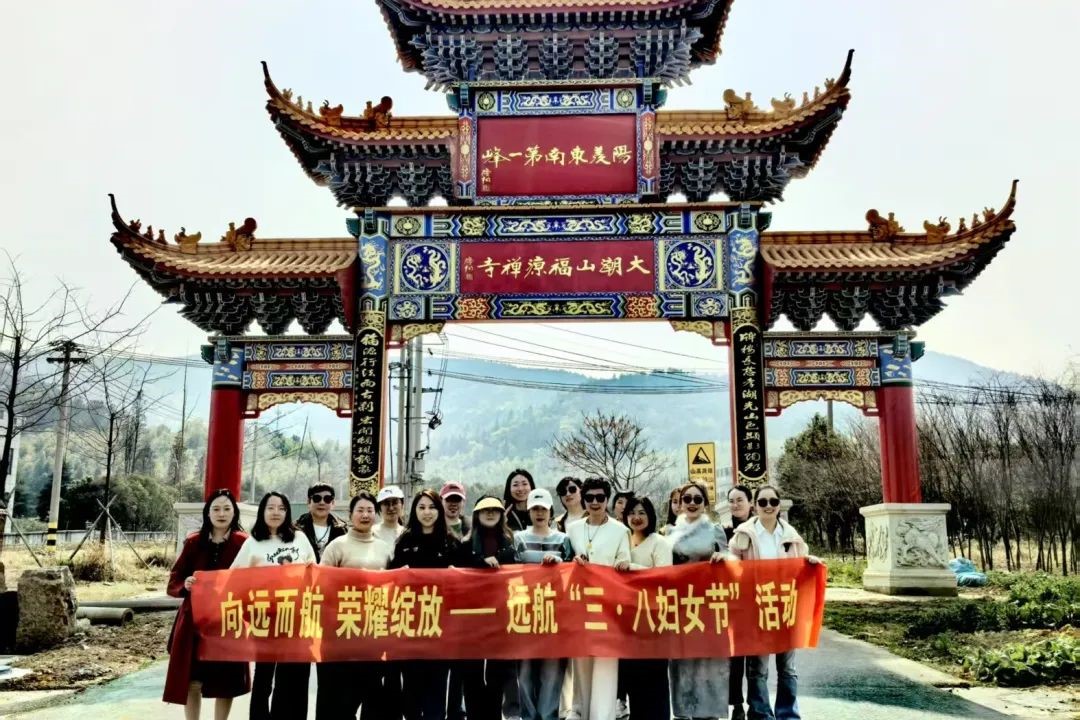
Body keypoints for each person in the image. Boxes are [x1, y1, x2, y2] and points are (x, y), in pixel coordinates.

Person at [729, 486, 819, 720]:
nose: (768, 506)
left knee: (787, 667)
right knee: (758, 667)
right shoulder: (744, 534)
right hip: (757, 608)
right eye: (763, 502)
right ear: (755, 505)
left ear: (779, 505)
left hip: (786, 607)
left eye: (773, 501)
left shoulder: (791, 535)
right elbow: (733, 562)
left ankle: (787, 713)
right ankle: (760, 713)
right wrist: (727, 563)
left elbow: (801, 562)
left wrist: (810, 562)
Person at [164, 488, 250, 720]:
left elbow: (254, 578)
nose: (221, 514)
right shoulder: (194, 541)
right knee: (192, 679)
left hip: (229, 618)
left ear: (234, 512)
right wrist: (186, 584)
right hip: (195, 619)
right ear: (208, 513)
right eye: (216, 509)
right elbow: (175, 579)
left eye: (227, 508)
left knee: (227, 680)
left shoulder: (244, 542)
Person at [231, 492, 316, 720]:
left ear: (287, 512)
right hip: (265, 618)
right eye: (271, 507)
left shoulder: (299, 538)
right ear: (262, 512)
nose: (276, 512)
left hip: (295, 618)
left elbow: (314, 572)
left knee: (292, 676)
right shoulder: (253, 542)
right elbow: (234, 577)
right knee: (264, 675)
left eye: (281, 508)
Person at [318, 492, 393, 720]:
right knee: (339, 699)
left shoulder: (384, 548)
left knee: (370, 693)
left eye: (370, 510)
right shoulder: (337, 546)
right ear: (350, 514)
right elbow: (321, 584)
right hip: (340, 633)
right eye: (360, 510)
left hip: (372, 633)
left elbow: (393, 586)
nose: (365, 515)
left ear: (376, 515)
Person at [389, 490, 461, 720]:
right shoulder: (404, 541)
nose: (427, 512)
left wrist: (456, 575)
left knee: (437, 689)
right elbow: (391, 579)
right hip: (410, 626)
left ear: (439, 510)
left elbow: (464, 584)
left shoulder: (451, 543)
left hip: (441, 628)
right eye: (421, 507)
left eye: (432, 507)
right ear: (414, 511)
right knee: (411, 690)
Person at [566, 477, 630, 720]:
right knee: (581, 661)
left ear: (607, 499)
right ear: (583, 499)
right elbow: (565, 561)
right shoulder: (572, 529)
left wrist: (620, 565)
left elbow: (624, 562)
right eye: (590, 497)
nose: (595, 502)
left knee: (606, 662)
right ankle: (580, 711)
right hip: (580, 605)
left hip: (608, 605)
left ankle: (602, 715)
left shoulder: (620, 530)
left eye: (600, 497)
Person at [666, 482, 730, 720]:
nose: (692, 503)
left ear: (705, 503)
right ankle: (683, 713)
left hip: (709, 606)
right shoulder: (669, 533)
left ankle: (710, 714)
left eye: (697, 499)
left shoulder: (715, 530)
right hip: (680, 606)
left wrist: (724, 558)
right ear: (680, 503)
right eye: (687, 498)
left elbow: (731, 560)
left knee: (710, 661)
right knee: (682, 661)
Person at [513, 489, 574, 720]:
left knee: (552, 670)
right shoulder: (518, 538)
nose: (539, 513)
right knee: (525, 669)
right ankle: (528, 715)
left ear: (550, 511)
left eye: (543, 509)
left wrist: (559, 564)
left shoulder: (563, 539)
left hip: (555, 612)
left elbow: (572, 571)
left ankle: (548, 715)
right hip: (525, 611)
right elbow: (512, 572)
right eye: (535, 509)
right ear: (529, 511)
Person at [457, 495, 519, 720]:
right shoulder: (465, 544)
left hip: (501, 618)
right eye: (485, 510)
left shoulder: (510, 543)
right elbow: (457, 574)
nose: (490, 513)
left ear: (502, 514)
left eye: (495, 510)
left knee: (497, 675)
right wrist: (481, 563)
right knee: (472, 674)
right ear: (477, 515)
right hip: (471, 620)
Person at [621, 497, 673, 720]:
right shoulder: (622, 541)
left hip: (653, 621)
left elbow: (664, 576)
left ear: (650, 515)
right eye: (632, 512)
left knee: (655, 680)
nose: (636, 517)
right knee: (633, 680)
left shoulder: (659, 542)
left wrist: (632, 568)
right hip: (627, 622)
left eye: (642, 512)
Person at [722, 485, 754, 720]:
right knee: (734, 657)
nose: (735, 505)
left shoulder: (759, 528)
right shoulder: (722, 531)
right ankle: (736, 704)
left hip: (757, 599)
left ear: (750, 502)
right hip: (730, 601)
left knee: (756, 659)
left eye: (740, 500)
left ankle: (757, 703)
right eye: (731, 501)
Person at [440, 481, 469, 720]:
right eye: (449, 500)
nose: (453, 504)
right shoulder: (433, 527)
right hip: (438, 603)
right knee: (440, 662)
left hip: (465, 604)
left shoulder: (472, 528)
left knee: (460, 660)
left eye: (457, 500)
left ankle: (456, 710)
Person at [295, 483, 346, 562]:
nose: (322, 502)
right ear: (308, 502)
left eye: (327, 499)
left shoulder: (342, 529)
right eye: (317, 498)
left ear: (333, 503)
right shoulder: (295, 529)